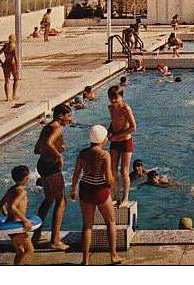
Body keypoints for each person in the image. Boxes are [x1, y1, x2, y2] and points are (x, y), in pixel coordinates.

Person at [71, 125, 123, 265]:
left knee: (87, 225)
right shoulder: (105, 154)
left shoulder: (82, 153)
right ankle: (113, 256)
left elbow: (76, 173)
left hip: (85, 189)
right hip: (100, 190)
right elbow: (108, 177)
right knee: (110, 222)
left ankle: (85, 260)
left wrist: (73, 189)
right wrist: (115, 190)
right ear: (103, 139)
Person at [33, 103, 72, 250]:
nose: (70, 119)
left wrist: (57, 146)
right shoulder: (57, 127)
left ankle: (36, 236)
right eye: (69, 116)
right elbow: (49, 143)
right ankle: (55, 240)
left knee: (48, 200)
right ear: (60, 116)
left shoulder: (47, 127)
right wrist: (58, 155)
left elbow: (37, 149)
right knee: (61, 201)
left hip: (42, 165)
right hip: (51, 167)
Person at [0, 165, 35, 265]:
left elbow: (0, 204)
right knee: (29, 250)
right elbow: (13, 206)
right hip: (17, 226)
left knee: (20, 251)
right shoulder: (22, 191)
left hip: (10, 224)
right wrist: (25, 220)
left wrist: (6, 214)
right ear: (26, 178)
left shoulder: (11, 189)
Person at [107, 85, 137, 206]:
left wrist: (117, 137)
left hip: (125, 142)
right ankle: (115, 195)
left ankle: (125, 197)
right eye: (111, 98)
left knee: (124, 171)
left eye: (116, 98)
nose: (113, 101)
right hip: (115, 141)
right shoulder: (110, 107)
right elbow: (113, 122)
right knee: (112, 169)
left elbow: (133, 127)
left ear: (121, 97)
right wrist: (109, 132)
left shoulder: (126, 108)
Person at [0, 35, 19, 101]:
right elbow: (15, 58)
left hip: (6, 63)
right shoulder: (13, 47)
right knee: (16, 79)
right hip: (12, 64)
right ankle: (14, 95)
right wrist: (17, 67)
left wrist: (1, 63)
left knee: (7, 81)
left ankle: (7, 97)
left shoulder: (5, 46)